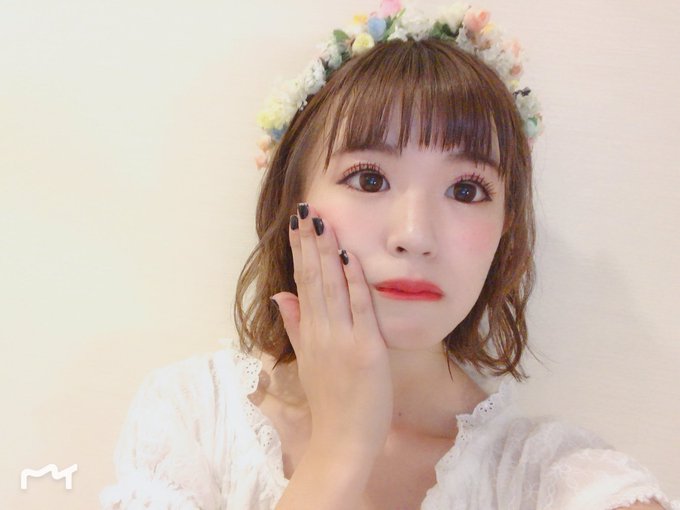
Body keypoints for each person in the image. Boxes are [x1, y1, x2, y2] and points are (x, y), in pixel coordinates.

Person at [99, 1, 679, 509]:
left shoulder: (554, 479)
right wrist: (341, 449)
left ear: (506, 229)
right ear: (291, 200)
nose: (414, 234)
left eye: (466, 190)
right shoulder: (193, 419)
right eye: (370, 179)